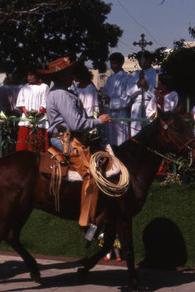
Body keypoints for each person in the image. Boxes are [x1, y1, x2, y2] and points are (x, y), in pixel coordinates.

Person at [40, 57, 111, 228]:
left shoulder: (63, 91)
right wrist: (99, 121)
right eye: (68, 72)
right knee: (91, 173)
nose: (72, 75)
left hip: (70, 136)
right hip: (66, 139)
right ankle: (86, 221)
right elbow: (76, 124)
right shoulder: (63, 94)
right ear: (61, 75)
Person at [15, 68, 49, 152]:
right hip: (27, 119)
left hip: (39, 118)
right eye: (28, 75)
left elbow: (46, 101)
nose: (29, 77)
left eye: (31, 75)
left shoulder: (44, 87)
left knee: (38, 143)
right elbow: (20, 102)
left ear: (37, 76)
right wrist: (24, 110)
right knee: (24, 144)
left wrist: (40, 111)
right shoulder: (24, 87)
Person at [126, 50, 159, 136]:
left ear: (149, 60)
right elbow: (128, 92)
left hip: (150, 105)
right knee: (136, 132)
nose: (142, 62)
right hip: (137, 106)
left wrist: (146, 85)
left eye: (144, 60)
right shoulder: (135, 74)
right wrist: (138, 84)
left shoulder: (156, 73)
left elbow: (158, 93)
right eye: (140, 60)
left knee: (149, 131)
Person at [101, 52, 131, 146]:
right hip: (109, 112)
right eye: (111, 63)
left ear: (121, 63)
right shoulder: (110, 79)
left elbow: (127, 99)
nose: (113, 66)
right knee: (110, 139)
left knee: (120, 138)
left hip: (120, 113)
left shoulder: (126, 78)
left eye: (115, 63)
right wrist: (105, 100)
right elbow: (104, 93)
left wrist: (112, 101)